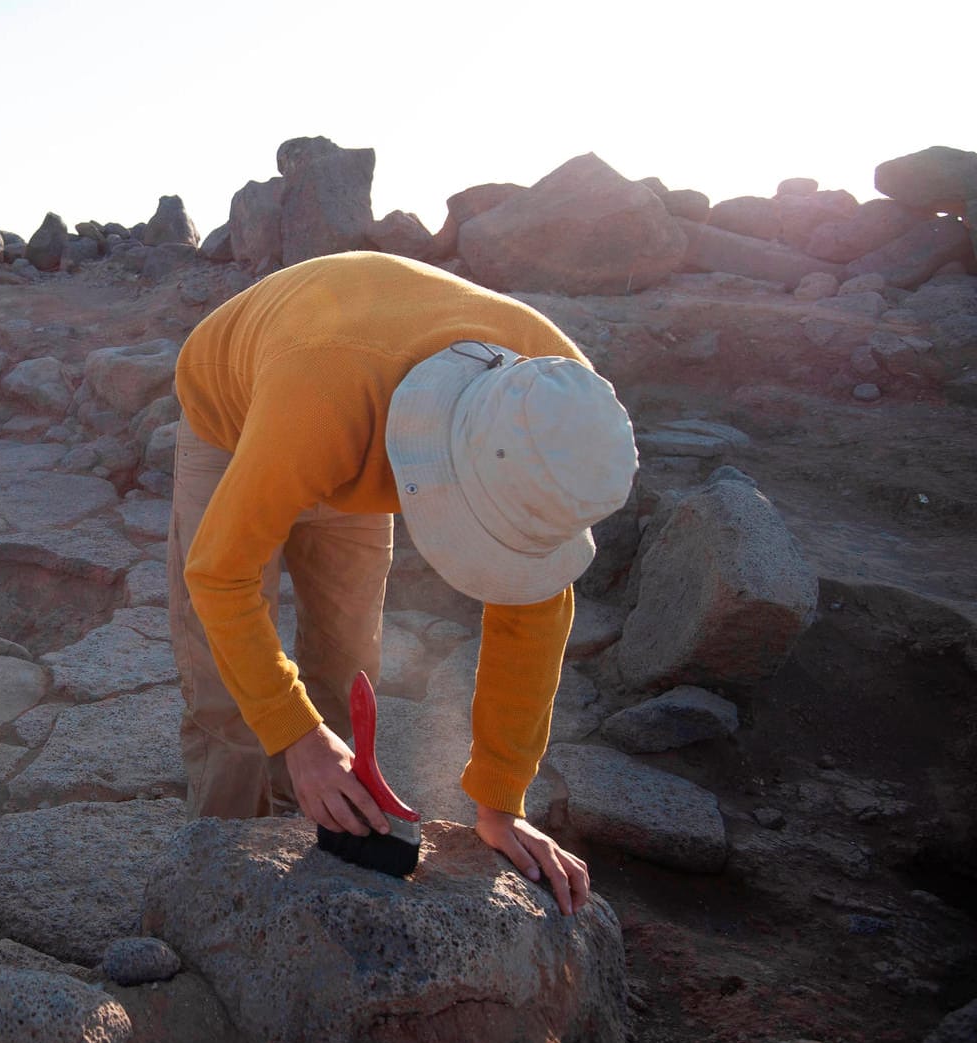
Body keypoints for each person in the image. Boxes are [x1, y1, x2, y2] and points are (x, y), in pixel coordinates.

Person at [166, 251, 638, 917]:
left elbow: (533, 609)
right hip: (242, 411)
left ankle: (323, 833)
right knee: (231, 702)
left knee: (348, 655)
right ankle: (215, 894)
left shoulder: (564, 410)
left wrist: (502, 804)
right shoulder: (322, 397)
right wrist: (294, 734)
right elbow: (220, 574)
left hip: (349, 405)